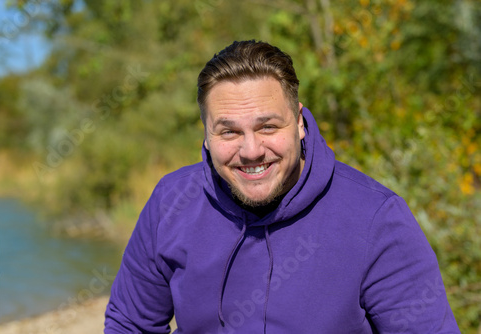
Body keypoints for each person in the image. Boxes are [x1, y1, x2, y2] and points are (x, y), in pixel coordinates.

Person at [104, 40, 460, 333]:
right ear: (207, 135)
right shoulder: (172, 201)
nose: (251, 150)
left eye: (268, 127)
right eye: (229, 131)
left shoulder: (376, 218)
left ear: (300, 123)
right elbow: (129, 325)